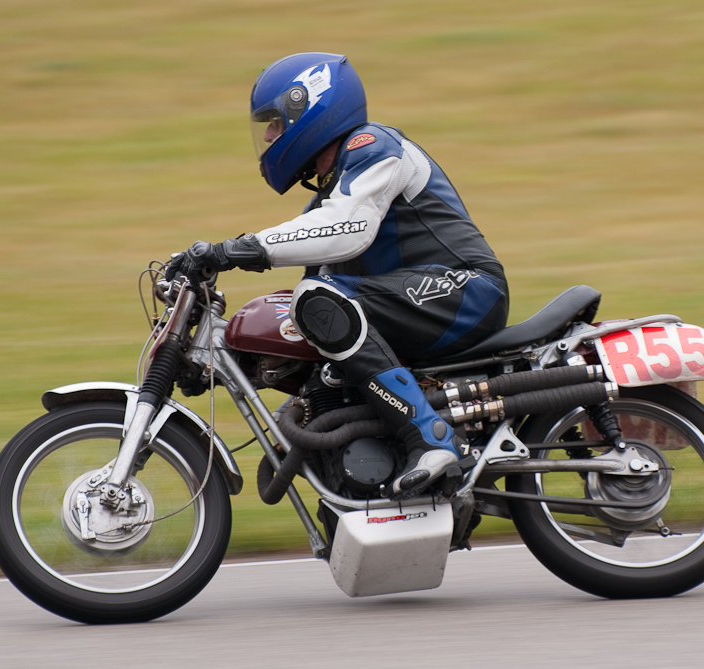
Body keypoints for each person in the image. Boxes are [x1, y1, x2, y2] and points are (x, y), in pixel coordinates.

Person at [167, 53, 509, 497]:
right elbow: (322, 318)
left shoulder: (371, 146)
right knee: (314, 313)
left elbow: (348, 230)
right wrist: (222, 367)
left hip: (464, 288)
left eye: (275, 122)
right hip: (425, 302)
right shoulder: (330, 198)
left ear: (310, 107)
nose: (269, 136)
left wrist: (230, 251)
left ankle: (430, 438)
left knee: (315, 298)